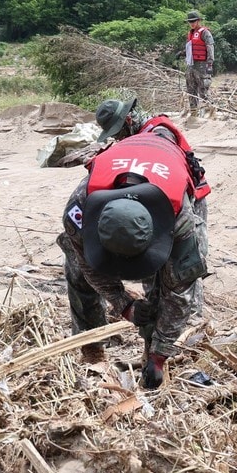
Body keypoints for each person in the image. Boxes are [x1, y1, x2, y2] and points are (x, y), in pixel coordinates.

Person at [59, 102, 210, 389]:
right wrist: (124, 304)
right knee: (76, 270)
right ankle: (92, 347)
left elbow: (179, 293)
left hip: (171, 180)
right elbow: (87, 265)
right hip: (125, 180)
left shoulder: (179, 221)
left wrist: (159, 355)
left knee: (172, 277)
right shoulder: (79, 209)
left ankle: (169, 343)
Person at [183, 10, 215, 118]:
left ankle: (211, 113)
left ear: (198, 21)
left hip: (202, 65)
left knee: (203, 90)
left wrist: (210, 64)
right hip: (191, 65)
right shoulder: (190, 34)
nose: (192, 23)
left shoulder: (205, 32)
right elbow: (190, 48)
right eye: (190, 21)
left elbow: (210, 48)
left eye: (194, 21)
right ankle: (194, 114)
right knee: (191, 90)